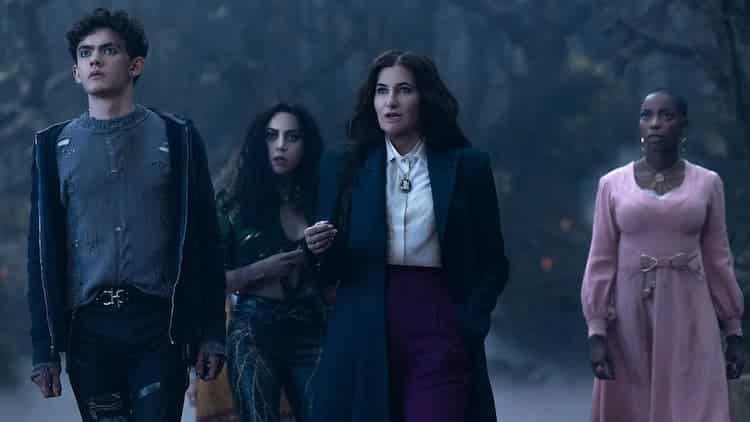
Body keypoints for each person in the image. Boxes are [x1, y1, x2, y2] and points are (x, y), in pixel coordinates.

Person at [27, 8, 226, 421]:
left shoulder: (178, 138)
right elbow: (40, 252)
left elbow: (206, 240)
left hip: (159, 325)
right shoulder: (52, 147)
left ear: (135, 65)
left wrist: (211, 333)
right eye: (85, 53)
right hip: (89, 330)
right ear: (76, 72)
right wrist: (44, 349)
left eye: (108, 50)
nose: (95, 60)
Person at [303, 50, 509, 422]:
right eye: (382, 91)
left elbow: (493, 260)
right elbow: (328, 269)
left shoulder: (467, 166)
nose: (391, 101)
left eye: (404, 90)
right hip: (363, 321)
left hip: (440, 319)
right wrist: (317, 248)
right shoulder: (344, 166)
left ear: (425, 97)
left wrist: (470, 321)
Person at [581, 89, 746, 422]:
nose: (655, 123)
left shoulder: (708, 183)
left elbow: (718, 259)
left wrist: (733, 329)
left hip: (691, 312)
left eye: (666, 116)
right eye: (647, 115)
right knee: (632, 405)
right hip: (629, 317)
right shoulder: (612, 185)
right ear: (639, 124)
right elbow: (600, 260)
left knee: (697, 405)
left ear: (683, 125)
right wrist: (597, 329)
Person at [216, 102, 327, 422]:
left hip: (311, 323)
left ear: (306, 145)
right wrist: (261, 270)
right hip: (254, 327)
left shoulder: (322, 198)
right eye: (271, 135)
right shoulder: (233, 204)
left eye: (292, 137)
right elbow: (208, 279)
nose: (281, 145)